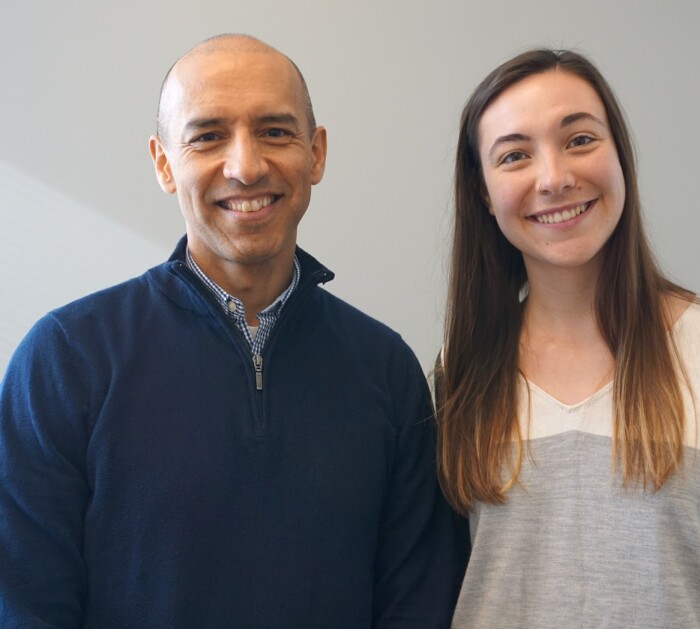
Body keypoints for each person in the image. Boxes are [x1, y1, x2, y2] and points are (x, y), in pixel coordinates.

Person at [0, 34, 465, 628]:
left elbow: (417, 608)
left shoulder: (386, 370)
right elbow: (26, 605)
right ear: (165, 163)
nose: (246, 166)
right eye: (208, 136)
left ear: (316, 153)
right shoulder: (65, 360)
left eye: (275, 131)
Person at [435, 48, 700, 628]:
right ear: (482, 192)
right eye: (515, 155)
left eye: (579, 140)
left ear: (620, 155)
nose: (553, 178)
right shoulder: (460, 373)